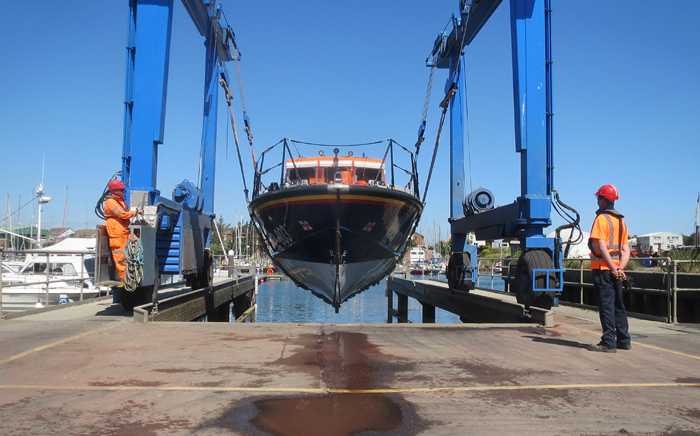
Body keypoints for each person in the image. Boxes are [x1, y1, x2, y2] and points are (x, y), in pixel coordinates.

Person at [587, 184, 631, 353]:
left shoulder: (601, 219)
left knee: (606, 305)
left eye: (598, 197)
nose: (597, 200)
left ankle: (608, 342)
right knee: (618, 304)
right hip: (617, 270)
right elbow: (625, 250)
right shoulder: (621, 221)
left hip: (603, 269)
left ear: (604, 200)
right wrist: (620, 269)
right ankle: (624, 340)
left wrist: (612, 268)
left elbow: (603, 248)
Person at [103, 180, 138, 281]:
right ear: (115, 191)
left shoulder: (120, 200)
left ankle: (132, 274)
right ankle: (124, 278)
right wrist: (135, 212)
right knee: (120, 254)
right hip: (116, 229)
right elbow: (122, 214)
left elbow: (126, 212)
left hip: (124, 228)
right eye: (121, 189)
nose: (123, 191)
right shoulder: (111, 202)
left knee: (135, 245)